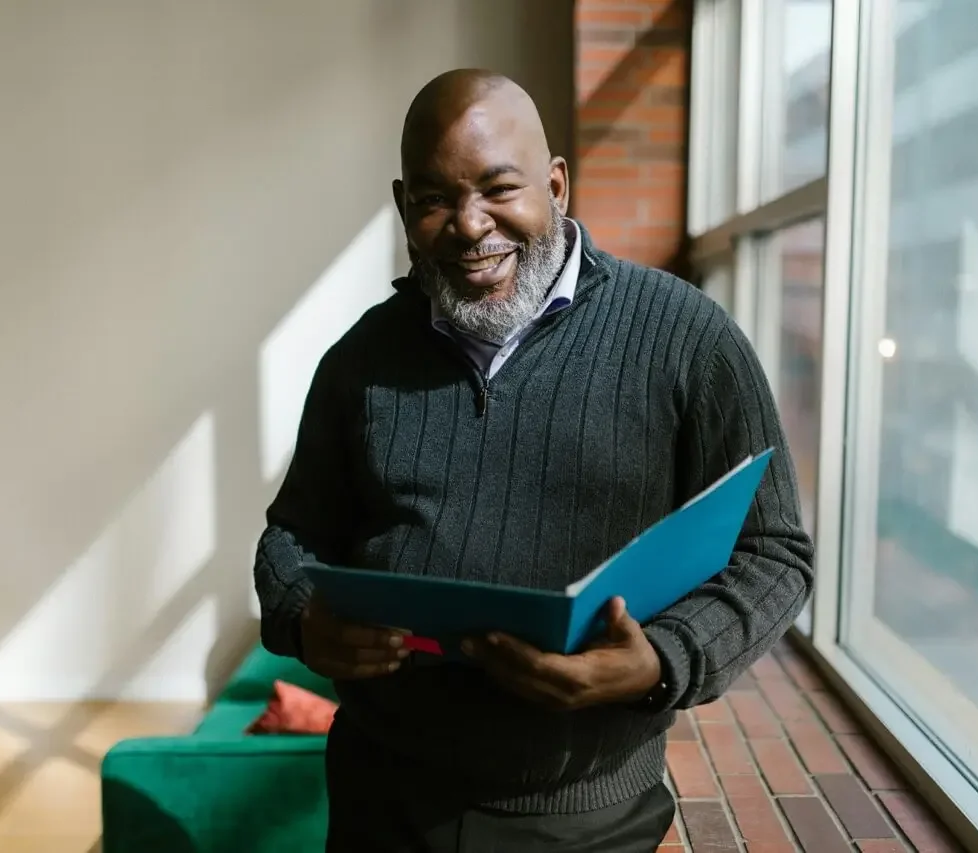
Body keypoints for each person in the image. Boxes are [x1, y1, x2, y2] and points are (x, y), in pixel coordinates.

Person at [253, 68, 815, 853]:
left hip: (586, 817)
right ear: (403, 206)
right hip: (382, 798)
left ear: (556, 184)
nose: (469, 225)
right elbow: (290, 537)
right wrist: (302, 619)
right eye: (434, 200)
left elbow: (775, 551)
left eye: (498, 188)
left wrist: (661, 660)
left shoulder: (687, 337)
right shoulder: (360, 360)